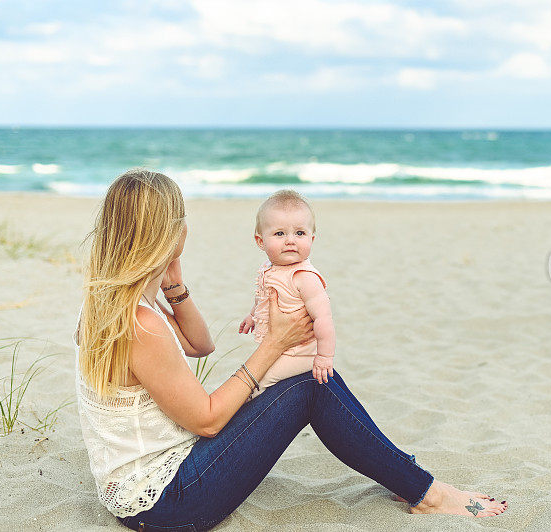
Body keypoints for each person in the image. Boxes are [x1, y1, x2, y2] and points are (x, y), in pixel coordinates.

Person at [74, 168, 508, 531]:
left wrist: (172, 279)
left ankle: (401, 472)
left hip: (156, 483)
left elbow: (199, 345)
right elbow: (206, 422)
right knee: (313, 386)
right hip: (167, 503)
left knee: (314, 380)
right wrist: (275, 344)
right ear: (173, 232)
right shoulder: (140, 324)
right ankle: (424, 491)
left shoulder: (120, 305)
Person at [238, 189, 334, 398]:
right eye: (280, 234)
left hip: (301, 352)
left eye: (300, 233)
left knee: (258, 381)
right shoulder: (268, 267)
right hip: (280, 344)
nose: (290, 240)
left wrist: (324, 356)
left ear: (312, 239)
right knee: (255, 373)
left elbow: (324, 317)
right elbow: (263, 296)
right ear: (260, 241)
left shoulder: (304, 277)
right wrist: (252, 315)